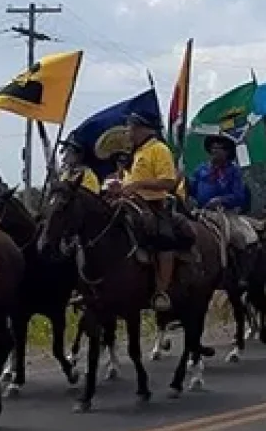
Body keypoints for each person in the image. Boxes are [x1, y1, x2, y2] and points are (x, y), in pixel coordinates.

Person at [98, 111, 183, 312]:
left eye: (132, 128)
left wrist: (138, 185)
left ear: (145, 129)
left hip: (154, 204)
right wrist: (119, 187)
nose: (129, 132)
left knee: (165, 238)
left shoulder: (159, 149)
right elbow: (130, 181)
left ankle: (162, 289)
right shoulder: (135, 153)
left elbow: (168, 182)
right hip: (129, 202)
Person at [189, 133, 251, 214]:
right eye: (213, 148)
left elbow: (239, 196)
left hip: (225, 213)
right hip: (201, 212)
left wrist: (221, 200)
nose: (214, 151)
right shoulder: (201, 169)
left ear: (227, 152)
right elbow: (192, 190)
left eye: (218, 148)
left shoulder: (233, 171)